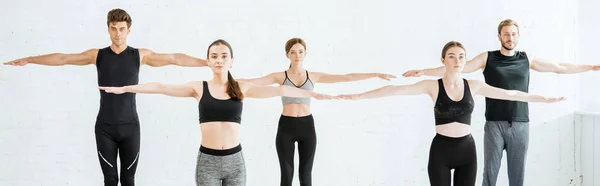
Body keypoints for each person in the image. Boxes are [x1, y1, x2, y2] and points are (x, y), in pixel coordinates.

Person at [3, 8, 210, 186]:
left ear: (129, 30)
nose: (118, 34)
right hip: (105, 129)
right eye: (113, 28)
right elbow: (63, 58)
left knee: (128, 181)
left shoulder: (140, 55)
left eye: (122, 29)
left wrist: (206, 62)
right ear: (108, 28)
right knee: (110, 180)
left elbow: (174, 58)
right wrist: (29, 59)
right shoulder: (97, 55)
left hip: (131, 128)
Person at [99, 39, 336, 186]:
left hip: (235, 161)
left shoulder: (241, 87)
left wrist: (314, 94)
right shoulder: (198, 88)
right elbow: (161, 87)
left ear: (231, 61)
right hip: (208, 162)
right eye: (214, 56)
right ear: (208, 62)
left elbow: (279, 90)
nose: (219, 60)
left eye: (224, 56)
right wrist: (125, 88)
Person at [337, 41, 565, 186]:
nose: (457, 60)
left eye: (462, 57)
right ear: (443, 60)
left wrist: (542, 99)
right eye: (452, 56)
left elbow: (511, 94)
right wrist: (358, 96)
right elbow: (395, 90)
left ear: (466, 61)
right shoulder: (432, 85)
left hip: (467, 151)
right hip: (441, 152)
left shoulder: (474, 85)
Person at [402, 19, 600, 186]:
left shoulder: (526, 59)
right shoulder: (487, 58)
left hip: (521, 123)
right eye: (506, 34)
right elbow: (457, 68)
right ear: (499, 36)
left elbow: (559, 67)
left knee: (517, 176)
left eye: (513, 34)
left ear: (518, 36)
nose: (510, 38)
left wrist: (591, 67)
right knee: (490, 174)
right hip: (494, 123)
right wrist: (424, 72)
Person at [238, 37, 396, 186]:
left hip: (307, 126)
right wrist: (225, 79)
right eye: (293, 52)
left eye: (300, 51)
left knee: (306, 177)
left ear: (305, 53)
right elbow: (253, 82)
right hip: (286, 126)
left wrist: (375, 74)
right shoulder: (280, 76)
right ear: (287, 55)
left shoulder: (313, 76)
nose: (297, 55)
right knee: (286, 176)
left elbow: (346, 77)